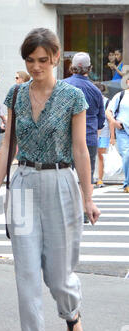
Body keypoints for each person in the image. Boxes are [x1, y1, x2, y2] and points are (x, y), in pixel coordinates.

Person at [0, 28, 100, 331]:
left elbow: (81, 149)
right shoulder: (16, 94)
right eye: (30, 60)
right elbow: (8, 145)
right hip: (22, 184)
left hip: (60, 182)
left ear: (55, 58)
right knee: (26, 272)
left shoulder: (71, 97)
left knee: (59, 274)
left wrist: (87, 196)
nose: (36, 66)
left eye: (43, 59)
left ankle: (71, 313)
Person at [64, 52, 105, 222]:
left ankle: (67, 210)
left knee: (65, 175)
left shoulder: (62, 86)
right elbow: (101, 121)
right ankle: (83, 210)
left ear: (72, 67)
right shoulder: (95, 90)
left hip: (65, 138)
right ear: (90, 68)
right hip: (88, 138)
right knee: (85, 177)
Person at [106, 77, 129, 192]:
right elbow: (108, 111)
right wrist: (113, 122)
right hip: (123, 130)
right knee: (127, 155)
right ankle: (127, 183)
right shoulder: (120, 95)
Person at [94, 83, 115, 188]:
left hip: (104, 133)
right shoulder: (90, 100)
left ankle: (100, 179)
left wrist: (112, 137)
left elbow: (110, 121)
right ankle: (92, 179)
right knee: (89, 156)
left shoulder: (107, 102)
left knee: (101, 156)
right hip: (92, 132)